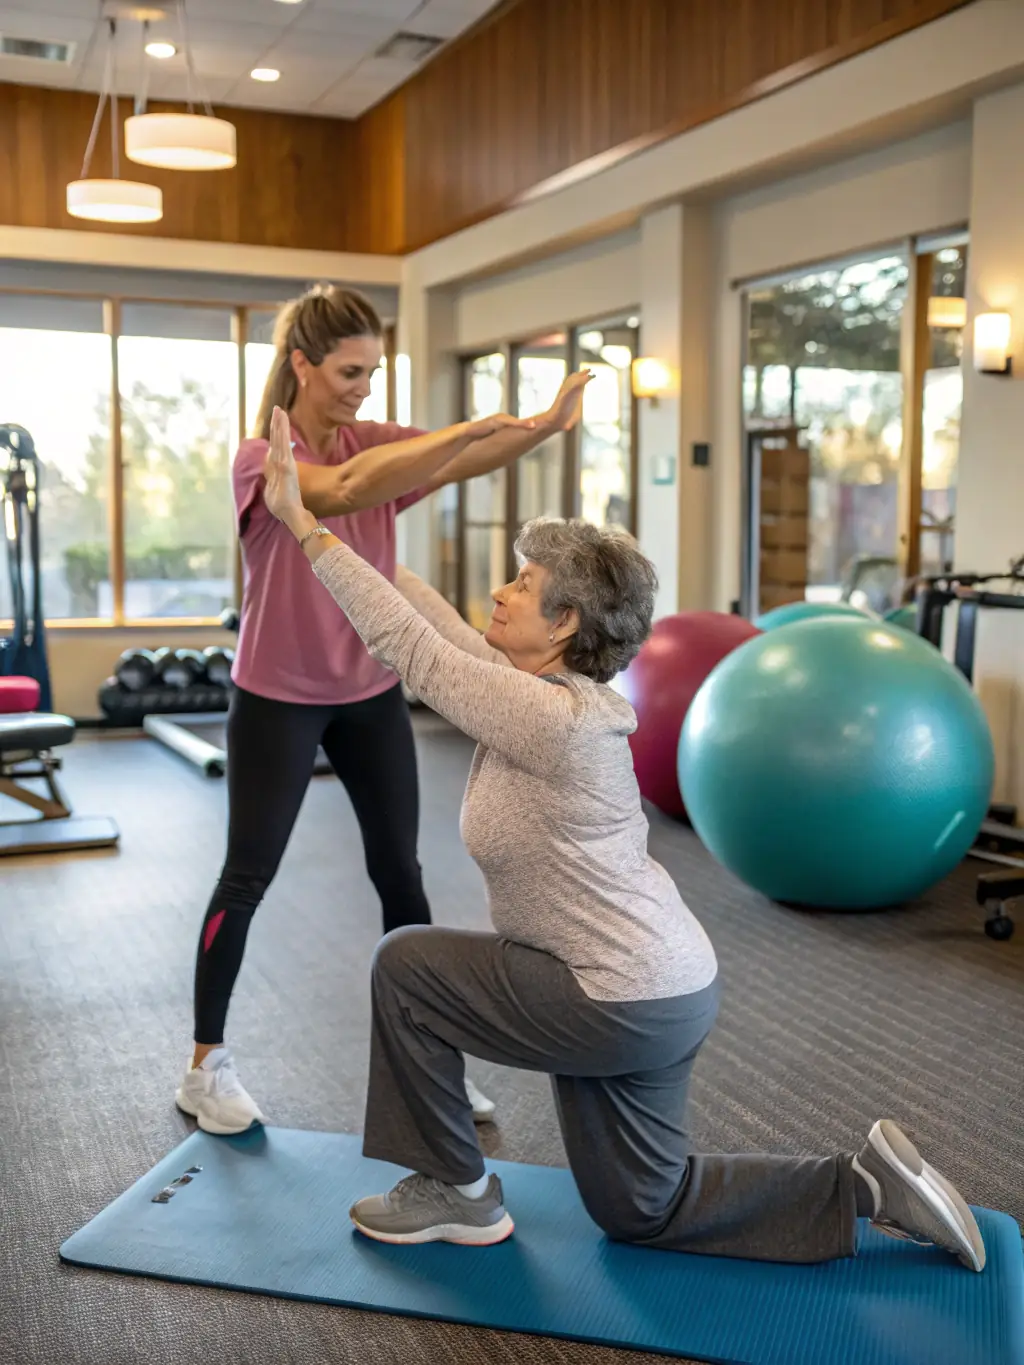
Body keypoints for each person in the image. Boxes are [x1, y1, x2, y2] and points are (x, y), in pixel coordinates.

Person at [260, 403, 986, 1273]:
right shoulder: (546, 696)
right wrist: (359, 530)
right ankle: (866, 1186)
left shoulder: (549, 718)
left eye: (522, 585)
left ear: (565, 623)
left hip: (613, 995)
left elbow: (413, 652)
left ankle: (453, 1189)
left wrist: (305, 527)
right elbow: (439, 632)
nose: (500, 591)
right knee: (642, 1207)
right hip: (660, 988)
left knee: (406, 966)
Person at [175, 284, 592, 1137]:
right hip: (276, 697)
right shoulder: (265, 457)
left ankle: (435, 1058)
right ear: (302, 364)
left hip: (368, 693)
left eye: (375, 370)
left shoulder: (379, 440)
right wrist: (470, 427)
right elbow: (347, 486)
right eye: (350, 370)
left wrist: (540, 429)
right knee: (246, 875)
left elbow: (445, 462)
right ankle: (205, 1066)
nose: (364, 386)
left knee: (400, 871)